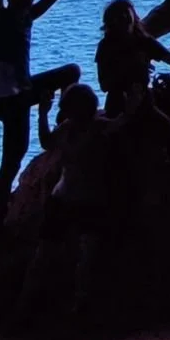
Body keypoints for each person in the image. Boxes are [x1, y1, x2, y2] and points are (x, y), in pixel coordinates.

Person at [0, 0, 88, 230]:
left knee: (71, 72)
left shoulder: (27, 17)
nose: (27, 0)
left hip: (24, 90)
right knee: (10, 163)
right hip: (8, 99)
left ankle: (64, 120)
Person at [29, 82, 116, 322]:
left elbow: (47, 142)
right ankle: (70, 303)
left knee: (79, 256)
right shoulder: (93, 128)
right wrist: (43, 114)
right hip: (76, 198)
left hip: (75, 197)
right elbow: (47, 141)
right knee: (72, 254)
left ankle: (75, 304)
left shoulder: (90, 128)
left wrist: (43, 114)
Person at [95, 0, 170, 115]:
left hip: (144, 101)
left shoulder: (144, 41)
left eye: (125, 13)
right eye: (119, 16)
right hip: (118, 103)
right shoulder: (106, 46)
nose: (124, 18)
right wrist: (131, 67)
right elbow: (104, 85)